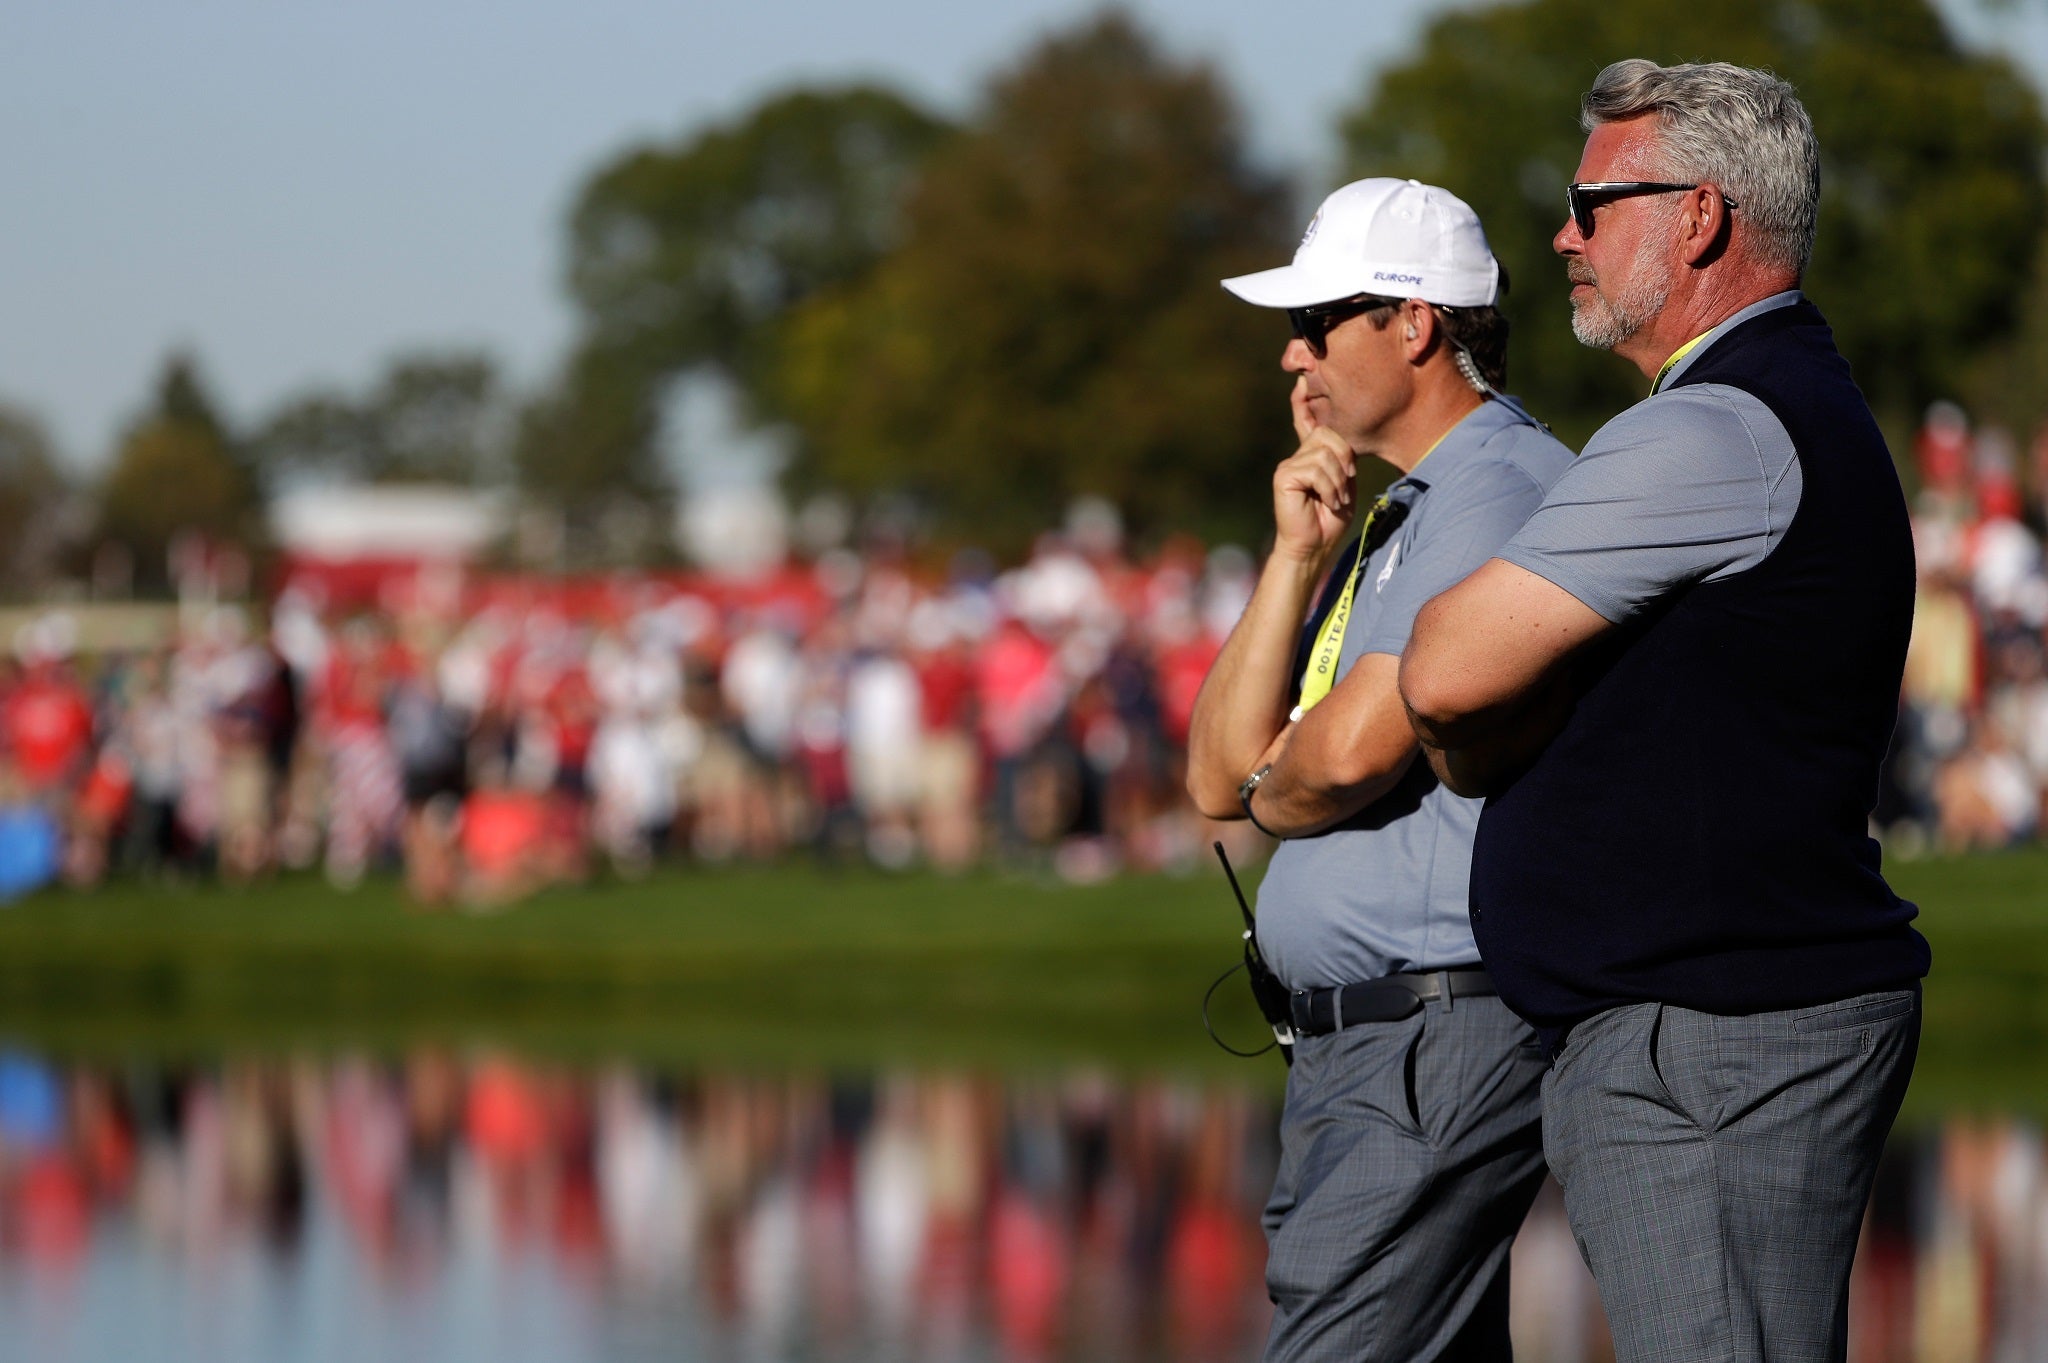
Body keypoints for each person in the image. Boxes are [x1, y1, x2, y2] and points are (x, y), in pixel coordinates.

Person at [1399, 61, 1931, 1363]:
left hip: (1710, 1047)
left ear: (1698, 217)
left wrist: (1477, 726)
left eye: (1593, 202)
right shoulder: (1757, 407)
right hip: (1709, 1034)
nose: (1564, 235)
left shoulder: (1718, 426)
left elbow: (1444, 667)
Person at [1186, 177, 1574, 1362]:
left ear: (1413, 325)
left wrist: (1273, 780)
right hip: (1370, 1046)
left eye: (1316, 324)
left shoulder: (1497, 482)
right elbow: (1213, 777)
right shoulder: (1390, 512)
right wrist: (1292, 555)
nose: (1291, 358)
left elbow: (1346, 756)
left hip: (1431, 1029)